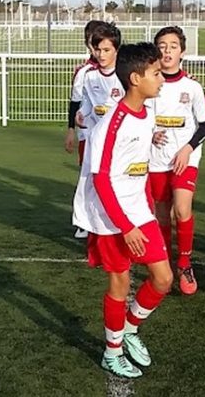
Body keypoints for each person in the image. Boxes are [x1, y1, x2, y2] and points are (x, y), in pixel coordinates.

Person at [73, 42, 173, 379]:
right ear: (135, 79)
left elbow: (136, 168)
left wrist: (143, 213)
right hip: (109, 217)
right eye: (156, 73)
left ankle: (129, 328)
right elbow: (100, 179)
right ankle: (112, 351)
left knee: (163, 278)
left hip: (138, 211)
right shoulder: (111, 125)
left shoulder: (147, 113)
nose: (162, 79)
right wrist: (125, 226)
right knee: (120, 282)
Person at [149, 26, 205, 295]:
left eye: (173, 46)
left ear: (182, 52)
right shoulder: (149, 83)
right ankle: (165, 263)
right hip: (156, 159)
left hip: (185, 158)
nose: (167, 51)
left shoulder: (192, 87)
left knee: (182, 209)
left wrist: (188, 149)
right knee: (162, 212)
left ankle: (185, 263)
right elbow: (138, 116)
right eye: (162, 46)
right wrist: (150, 134)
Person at [73, 23, 124, 239]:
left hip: (121, 143)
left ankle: (121, 226)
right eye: (98, 50)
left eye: (106, 50)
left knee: (119, 186)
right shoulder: (89, 76)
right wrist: (81, 114)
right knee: (90, 182)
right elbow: (86, 103)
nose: (101, 55)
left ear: (116, 50)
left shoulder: (125, 75)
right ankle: (88, 224)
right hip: (95, 140)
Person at [64, 20, 100, 164]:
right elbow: (75, 101)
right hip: (87, 134)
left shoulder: (121, 69)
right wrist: (71, 130)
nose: (96, 49)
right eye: (92, 43)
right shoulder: (83, 72)